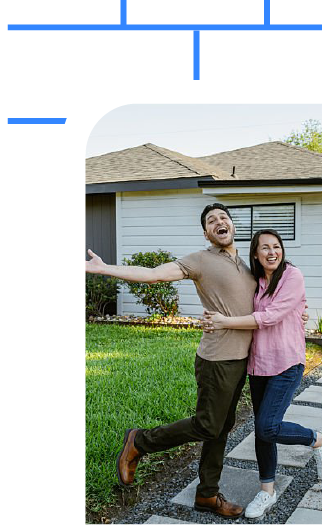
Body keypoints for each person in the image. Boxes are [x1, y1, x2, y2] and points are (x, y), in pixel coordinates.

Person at [85, 203, 260, 518]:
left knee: (221, 428)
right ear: (206, 232)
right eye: (211, 220)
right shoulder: (198, 260)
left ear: (232, 225)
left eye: (224, 217)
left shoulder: (247, 263)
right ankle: (139, 441)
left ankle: (207, 494)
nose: (219, 222)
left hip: (241, 360)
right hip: (217, 359)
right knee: (208, 425)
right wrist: (105, 268)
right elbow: (153, 275)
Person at [203, 229, 322, 519]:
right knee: (263, 433)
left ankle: (318, 439)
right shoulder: (256, 281)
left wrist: (224, 322)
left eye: (276, 246)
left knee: (267, 427)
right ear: (255, 254)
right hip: (259, 364)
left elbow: (271, 316)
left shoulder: (292, 276)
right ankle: (267, 491)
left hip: (287, 363)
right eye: (265, 248)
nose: (272, 252)